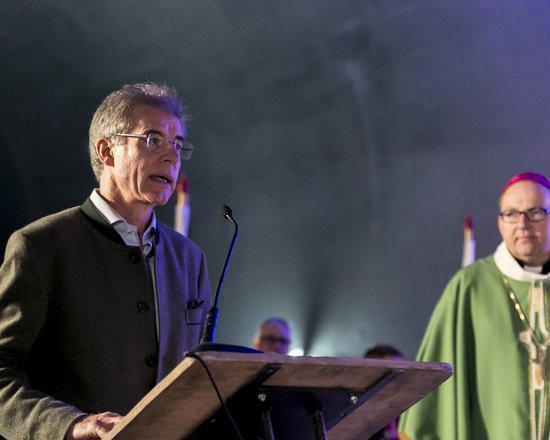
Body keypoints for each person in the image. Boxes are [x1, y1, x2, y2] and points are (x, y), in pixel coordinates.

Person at [0, 82, 211, 440]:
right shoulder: (39, 246)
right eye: (153, 139)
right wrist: (70, 424)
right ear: (107, 150)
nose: (172, 157)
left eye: (177, 144)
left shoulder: (190, 259)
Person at [399, 172, 550, 440]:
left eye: (536, 212)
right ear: (500, 223)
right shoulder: (470, 286)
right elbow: (435, 396)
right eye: (511, 214)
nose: (523, 224)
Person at [364, 344, 403, 440]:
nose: (399, 375)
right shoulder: (354, 411)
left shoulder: (407, 404)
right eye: (390, 371)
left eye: (401, 369)